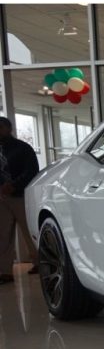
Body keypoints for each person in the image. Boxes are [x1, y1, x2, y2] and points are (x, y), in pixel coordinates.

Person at [0, 116, 40, 285]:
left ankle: (39, 263)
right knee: (3, 236)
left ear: (9, 129)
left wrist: (14, 185)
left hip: (21, 196)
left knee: (29, 231)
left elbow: (32, 171)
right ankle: (5, 272)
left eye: (0, 127)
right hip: (2, 198)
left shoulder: (23, 148)